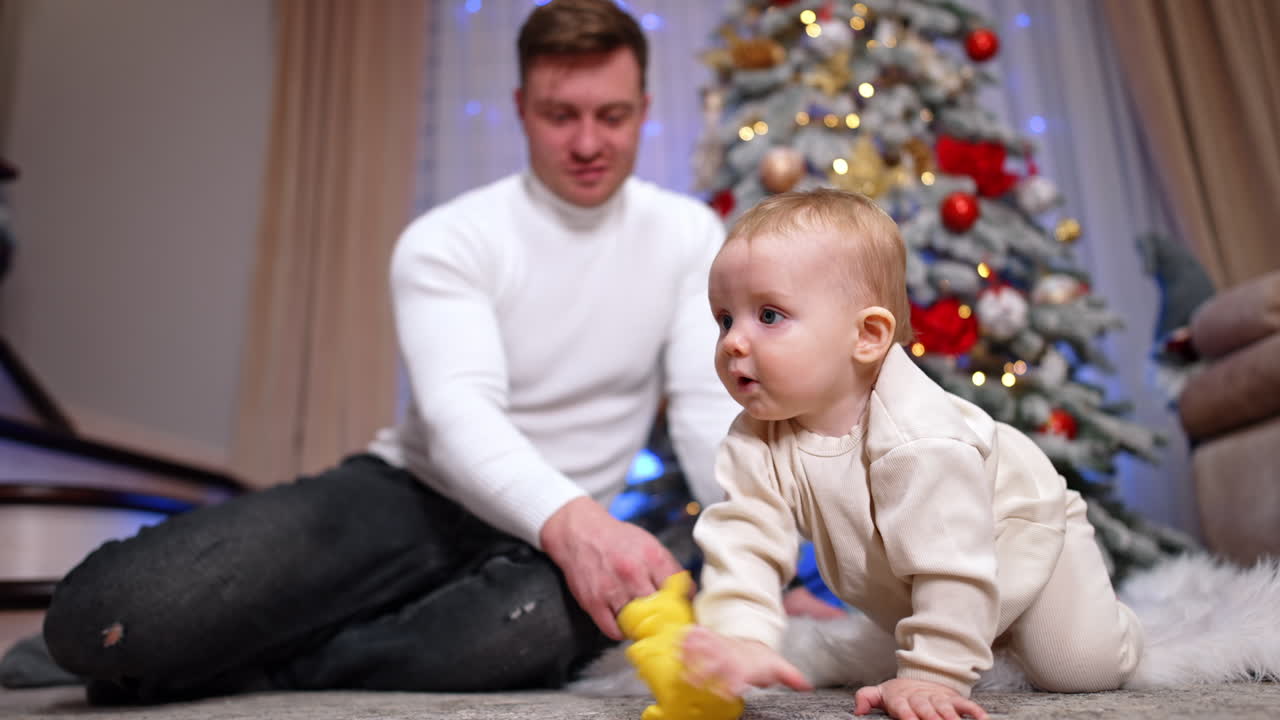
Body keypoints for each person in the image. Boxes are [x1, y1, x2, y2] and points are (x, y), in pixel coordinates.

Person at [10, 0, 748, 703]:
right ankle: (214, 652)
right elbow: (460, 414)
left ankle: (255, 672)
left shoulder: (686, 236)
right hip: (412, 495)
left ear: (644, 112)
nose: (587, 143)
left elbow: (705, 415)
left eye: (611, 116)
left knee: (554, 627)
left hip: (550, 539)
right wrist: (575, 522)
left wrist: (760, 568)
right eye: (561, 115)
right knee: (100, 618)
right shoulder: (450, 238)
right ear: (522, 108)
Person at [680, 189, 1144, 720]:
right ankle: (969, 631)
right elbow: (744, 537)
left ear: (868, 336)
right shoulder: (754, 438)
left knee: (1078, 669)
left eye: (768, 314)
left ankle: (1119, 623)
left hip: (1015, 534)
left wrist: (932, 677)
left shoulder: (918, 437)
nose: (734, 342)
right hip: (914, 574)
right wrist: (740, 635)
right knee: (940, 616)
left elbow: (952, 561)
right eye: (724, 319)